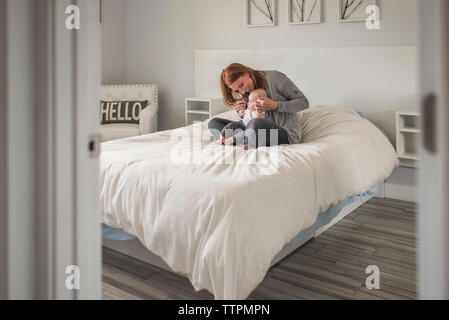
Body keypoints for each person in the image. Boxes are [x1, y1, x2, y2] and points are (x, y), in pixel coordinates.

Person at [208, 63, 310, 148]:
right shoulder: (248, 91)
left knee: (256, 124)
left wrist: (275, 105)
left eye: (241, 85)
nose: (242, 91)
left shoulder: (274, 78)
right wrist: (242, 113)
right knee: (214, 123)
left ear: (246, 72)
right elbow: (251, 119)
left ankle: (238, 141)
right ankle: (242, 140)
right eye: (237, 90)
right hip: (254, 130)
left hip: (284, 133)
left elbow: (304, 102)